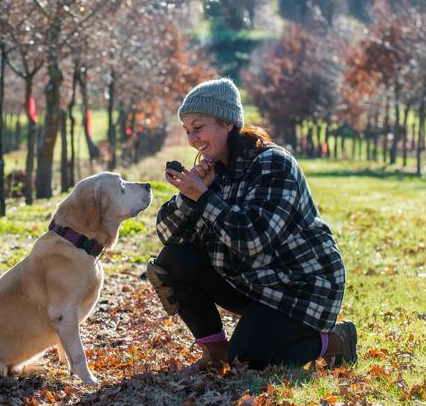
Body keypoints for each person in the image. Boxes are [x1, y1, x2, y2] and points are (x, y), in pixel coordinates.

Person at [146, 78, 356, 371]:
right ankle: (215, 352)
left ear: (227, 123)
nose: (192, 139)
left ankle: (335, 341)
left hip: (302, 287)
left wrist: (204, 197)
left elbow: (252, 240)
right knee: (172, 260)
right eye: (187, 131)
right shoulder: (212, 170)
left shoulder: (272, 163)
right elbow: (167, 235)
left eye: (199, 127)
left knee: (245, 361)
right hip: (256, 282)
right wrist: (189, 197)